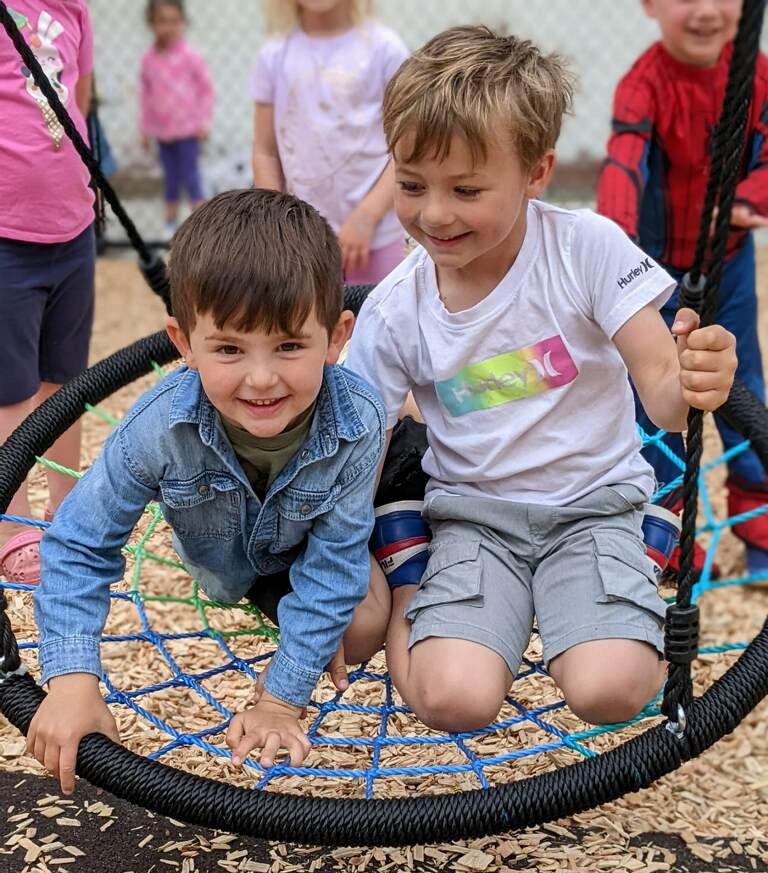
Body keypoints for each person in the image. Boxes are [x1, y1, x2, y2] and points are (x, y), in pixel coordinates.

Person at [344, 26, 738, 736]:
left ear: (535, 172)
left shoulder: (586, 250)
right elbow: (358, 440)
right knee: (451, 701)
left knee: (612, 691)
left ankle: (633, 561)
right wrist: (332, 555)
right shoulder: (397, 305)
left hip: (594, 507)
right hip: (472, 517)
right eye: (410, 185)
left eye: (466, 189)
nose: (433, 214)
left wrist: (699, 375)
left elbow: (663, 393)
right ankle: (412, 576)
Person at [25, 189, 389, 795]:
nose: (262, 378)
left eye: (290, 346)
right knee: (341, 617)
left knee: (362, 622)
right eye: (228, 349)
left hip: (322, 525)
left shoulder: (356, 419)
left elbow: (334, 565)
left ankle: (413, 533)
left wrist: (280, 698)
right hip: (246, 559)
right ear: (183, 344)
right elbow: (79, 544)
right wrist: (71, 680)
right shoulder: (160, 427)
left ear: (335, 336)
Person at [597, 0, 768, 577]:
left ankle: (760, 528)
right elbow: (624, 163)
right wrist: (611, 242)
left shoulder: (756, 75)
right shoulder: (642, 84)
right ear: (649, 5)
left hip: (729, 264)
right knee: (652, 401)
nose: (704, 11)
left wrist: (749, 198)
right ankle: (667, 534)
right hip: (652, 273)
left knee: (740, 388)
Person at [0, 0, 96, 587]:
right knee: (9, 392)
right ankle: (13, 527)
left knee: (65, 380)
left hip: (72, 225)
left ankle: (67, 513)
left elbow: (76, 101)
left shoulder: (71, 7)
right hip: (8, 234)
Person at [251, 0, 408, 285]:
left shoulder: (386, 49)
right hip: (301, 241)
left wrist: (366, 218)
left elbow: (406, 150)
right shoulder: (273, 56)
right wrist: (277, 228)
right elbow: (265, 152)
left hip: (375, 236)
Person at [140, 0, 214, 240]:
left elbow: (206, 90)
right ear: (152, 24)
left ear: (182, 23)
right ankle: (170, 225)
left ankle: (202, 228)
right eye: (162, 21)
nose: (169, 27)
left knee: (192, 179)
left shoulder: (190, 56)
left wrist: (204, 122)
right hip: (163, 133)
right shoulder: (149, 60)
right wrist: (145, 130)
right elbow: (146, 97)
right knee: (170, 181)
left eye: (174, 21)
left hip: (188, 131)